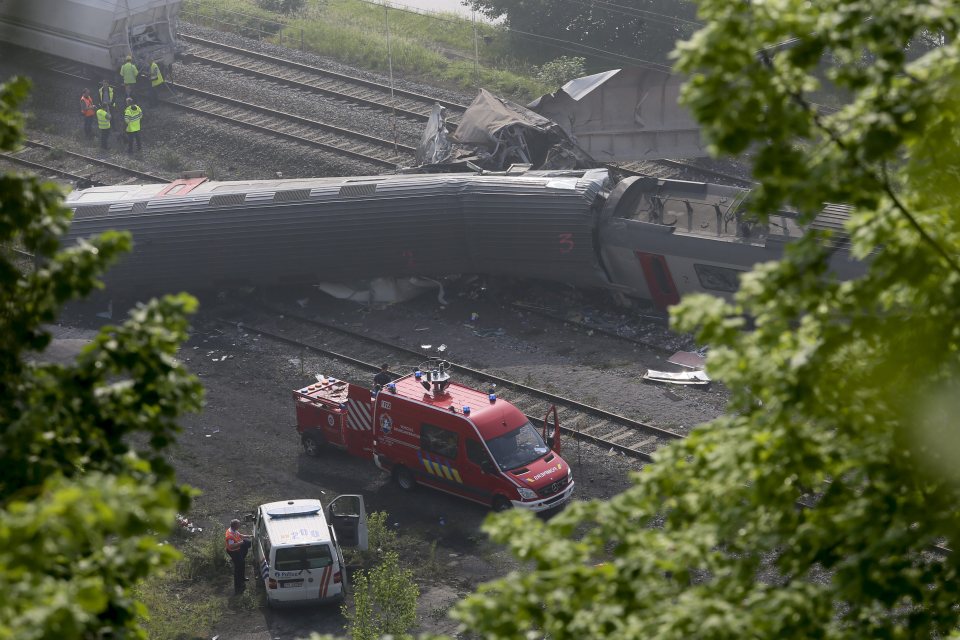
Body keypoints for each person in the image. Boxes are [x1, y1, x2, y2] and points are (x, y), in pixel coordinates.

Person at [225, 519, 252, 595]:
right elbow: (231, 546)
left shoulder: (234, 530)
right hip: (233, 552)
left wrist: (248, 536)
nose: (239, 525)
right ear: (234, 525)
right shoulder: (230, 535)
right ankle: (238, 586)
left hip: (237, 549)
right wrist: (241, 542)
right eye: (238, 524)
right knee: (238, 568)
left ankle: (242, 578)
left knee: (242, 562)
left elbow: (240, 535)